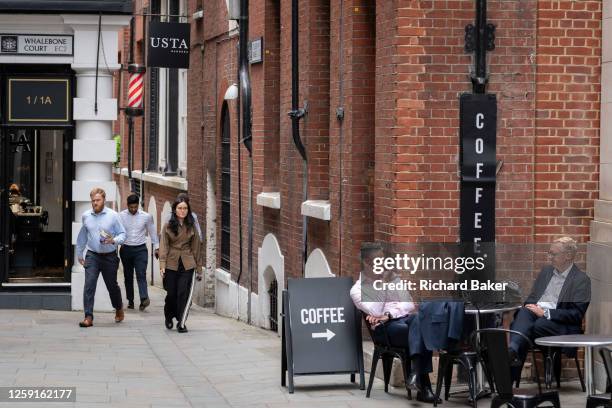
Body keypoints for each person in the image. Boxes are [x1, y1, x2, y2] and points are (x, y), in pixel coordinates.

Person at [350, 243, 438, 403]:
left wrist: (390, 313)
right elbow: (375, 311)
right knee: (422, 331)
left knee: (420, 320)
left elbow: (409, 304)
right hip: (384, 330)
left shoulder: (393, 278)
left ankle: (416, 375)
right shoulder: (357, 290)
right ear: (367, 263)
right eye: (380, 261)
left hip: (399, 320)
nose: (385, 264)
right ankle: (424, 387)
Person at [508, 236, 591, 375]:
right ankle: (513, 349)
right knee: (524, 312)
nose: (550, 257)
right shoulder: (546, 272)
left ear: (568, 256)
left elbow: (576, 315)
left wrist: (546, 313)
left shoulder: (581, 280)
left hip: (559, 324)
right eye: (549, 253)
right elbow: (533, 296)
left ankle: (509, 381)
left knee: (527, 329)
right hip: (535, 315)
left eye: (554, 254)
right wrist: (531, 307)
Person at [76, 187, 127, 327]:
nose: (95, 203)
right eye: (93, 200)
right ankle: (88, 317)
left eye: (98, 200)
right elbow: (82, 236)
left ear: (104, 200)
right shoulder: (86, 215)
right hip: (92, 255)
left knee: (112, 286)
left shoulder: (113, 215)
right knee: (89, 285)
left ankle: (118, 308)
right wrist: (79, 253)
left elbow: (123, 234)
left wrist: (114, 240)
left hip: (109, 256)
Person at [159, 196, 203, 333]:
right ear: (175, 210)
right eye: (180, 208)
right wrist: (162, 264)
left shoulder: (192, 226)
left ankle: (181, 322)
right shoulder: (168, 225)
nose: (182, 211)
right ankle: (168, 316)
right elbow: (164, 245)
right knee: (171, 293)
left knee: (183, 293)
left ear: (188, 210)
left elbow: (196, 247)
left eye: (185, 208)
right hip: (171, 262)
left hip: (187, 263)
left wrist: (199, 268)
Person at [119, 194, 159, 311]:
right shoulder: (121, 216)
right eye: (131, 207)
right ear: (127, 206)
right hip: (125, 249)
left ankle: (144, 299)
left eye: (135, 207)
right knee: (128, 276)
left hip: (140, 249)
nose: (133, 209)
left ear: (138, 205)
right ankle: (130, 300)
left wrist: (156, 247)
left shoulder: (146, 216)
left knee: (141, 274)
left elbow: (152, 232)